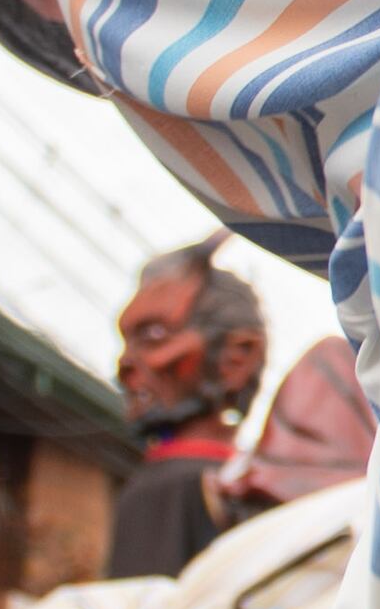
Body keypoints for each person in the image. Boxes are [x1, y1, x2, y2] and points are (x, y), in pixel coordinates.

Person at [109, 243, 268, 579]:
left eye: (153, 336)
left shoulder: (174, 484)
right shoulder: (240, 483)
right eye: (127, 341)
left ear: (236, 357)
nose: (125, 363)